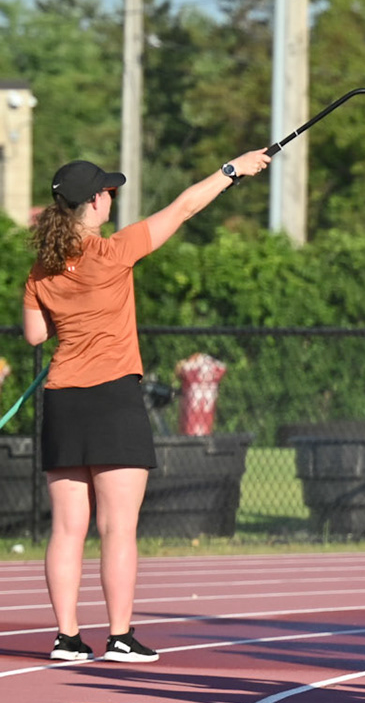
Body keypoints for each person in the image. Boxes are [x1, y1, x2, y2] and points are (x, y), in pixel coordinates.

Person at [25, 150, 271, 663]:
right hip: (113, 397)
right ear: (94, 201)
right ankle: (119, 636)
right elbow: (183, 208)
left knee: (67, 528)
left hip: (63, 398)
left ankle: (66, 637)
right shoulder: (114, 251)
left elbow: (34, 335)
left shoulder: (40, 270)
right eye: (107, 192)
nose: (111, 198)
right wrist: (231, 170)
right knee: (118, 527)